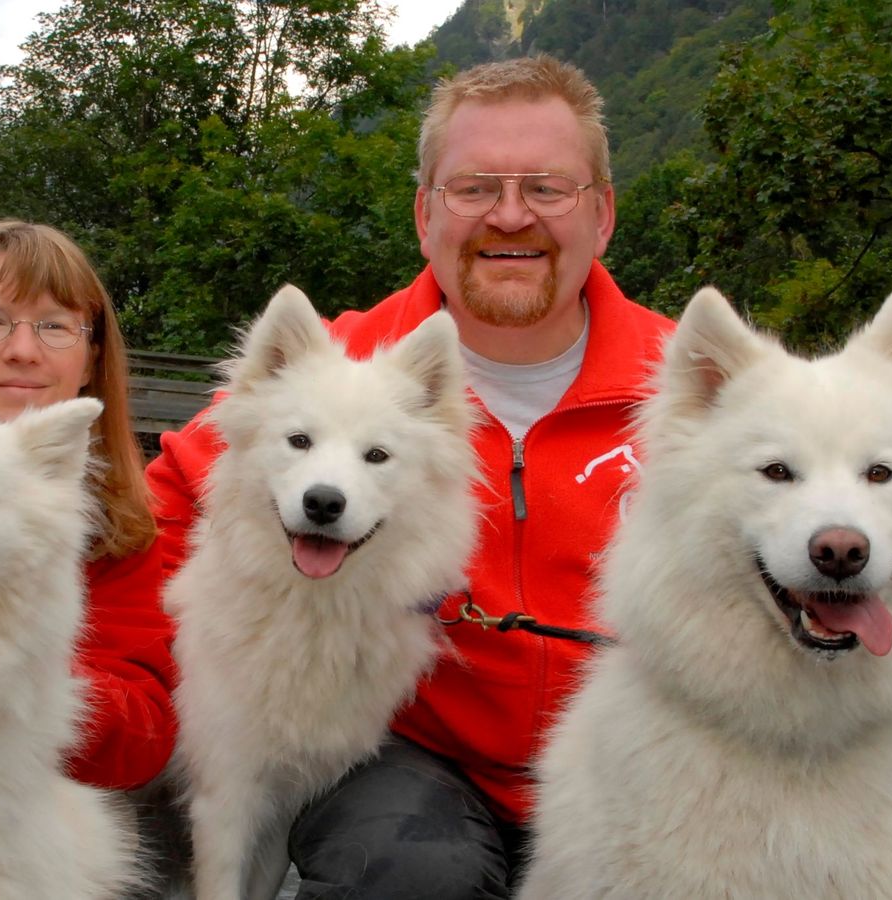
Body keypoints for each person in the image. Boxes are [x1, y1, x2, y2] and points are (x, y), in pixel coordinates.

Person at [146, 55, 671, 895]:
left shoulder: (693, 388)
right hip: (416, 760)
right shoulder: (333, 365)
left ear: (602, 214)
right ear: (425, 214)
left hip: (639, 750)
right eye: (473, 188)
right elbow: (153, 518)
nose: (509, 214)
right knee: (406, 874)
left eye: (546, 187)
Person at [0, 219, 176, 791]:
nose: (23, 351)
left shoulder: (116, 524)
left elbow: (144, 737)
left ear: (92, 356)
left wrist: (6, 675)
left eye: (54, 326)